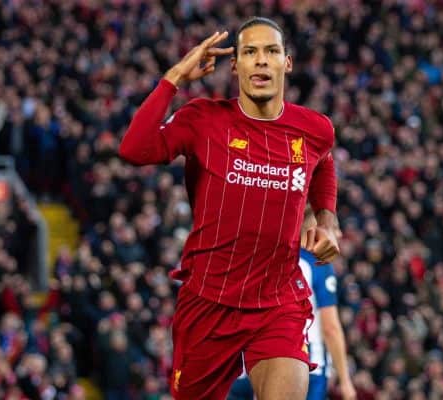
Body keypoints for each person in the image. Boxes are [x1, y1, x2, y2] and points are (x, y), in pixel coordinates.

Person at [119, 17, 339, 400]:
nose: (261, 61)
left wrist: (327, 217)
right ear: (234, 65)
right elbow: (134, 149)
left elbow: (324, 163)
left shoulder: (314, 129)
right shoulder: (204, 119)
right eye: (249, 52)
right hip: (209, 302)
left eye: (271, 51)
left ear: (286, 62)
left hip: (278, 300)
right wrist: (173, 78)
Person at [228, 207, 357, 400]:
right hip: (307, 362)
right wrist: (346, 381)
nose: (338, 234)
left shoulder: (269, 258)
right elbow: (330, 328)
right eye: (334, 227)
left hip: (263, 358)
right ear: (315, 229)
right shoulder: (317, 266)